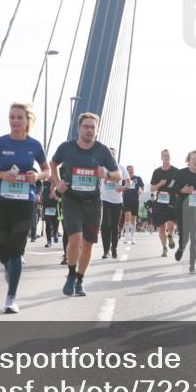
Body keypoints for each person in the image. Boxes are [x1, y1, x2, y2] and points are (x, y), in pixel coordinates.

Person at [0, 102, 48, 314]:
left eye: (19, 117)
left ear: (28, 121)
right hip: (1, 201)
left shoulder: (35, 145)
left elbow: (47, 171)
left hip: (25, 202)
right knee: (4, 253)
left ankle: (11, 297)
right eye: (12, 117)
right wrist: (1, 175)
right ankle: (8, 266)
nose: (15, 121)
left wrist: (37, 176)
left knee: (17, 250)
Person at [49, 112, 120, 297]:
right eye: (86, 126)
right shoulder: (67, 147)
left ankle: (80, 280)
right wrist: (58, 184)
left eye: (92, 127)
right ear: (79, 128)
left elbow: (117, 175)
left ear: (96, 131)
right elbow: (52, 164)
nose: (89, 130)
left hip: (93, 203)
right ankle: (71, 275)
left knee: (88, 245)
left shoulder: (102, 150)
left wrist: (106, 174)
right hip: (71, 200)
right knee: (75, 240)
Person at [100, 147, 129, 259]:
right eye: (109, 153)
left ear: (115, 155)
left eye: (113, 154)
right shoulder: (102, 167)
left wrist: (122, 187)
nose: (111, 155)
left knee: (114, 226)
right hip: (105, 199)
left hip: (117, 201)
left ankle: (114, 249)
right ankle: (106, 250)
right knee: (105, 225)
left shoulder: (120, 167)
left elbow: (129, 182)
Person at [150, 149, 179, 257]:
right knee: (161, 227)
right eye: (164, 156)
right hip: (160, 201)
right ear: (161, 158)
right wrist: (159, 184)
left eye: (168, 156)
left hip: (172, 200)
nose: (166, 157)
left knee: (171, 223)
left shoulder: (176, 171)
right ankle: (164, 248)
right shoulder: (157, 172)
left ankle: (170, 235)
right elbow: (152, 188)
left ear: (170, 157)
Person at [122, 165, 144, 244]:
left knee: (133, 220)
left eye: (132, 169)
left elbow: (142, 187)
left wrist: (141, 192)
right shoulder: (124, 179)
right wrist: (123, 189)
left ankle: (132, 237)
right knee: (127, 217)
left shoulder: (138, 178)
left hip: (135, 200)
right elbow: (121, 187)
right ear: (126, 171)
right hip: (126, 200)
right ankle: (126, 235)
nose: (131, 171)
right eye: (129, 170)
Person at [40, 179, 60, 248]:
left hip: (55, 207)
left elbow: (60, 197)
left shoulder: (57, 182)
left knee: (55, 223)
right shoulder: (45, 183)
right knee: (48, 225)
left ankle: (55, 233)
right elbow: (42, 194)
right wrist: (41, 198)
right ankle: (49, 241)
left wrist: (55, 196)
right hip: (47, 207)